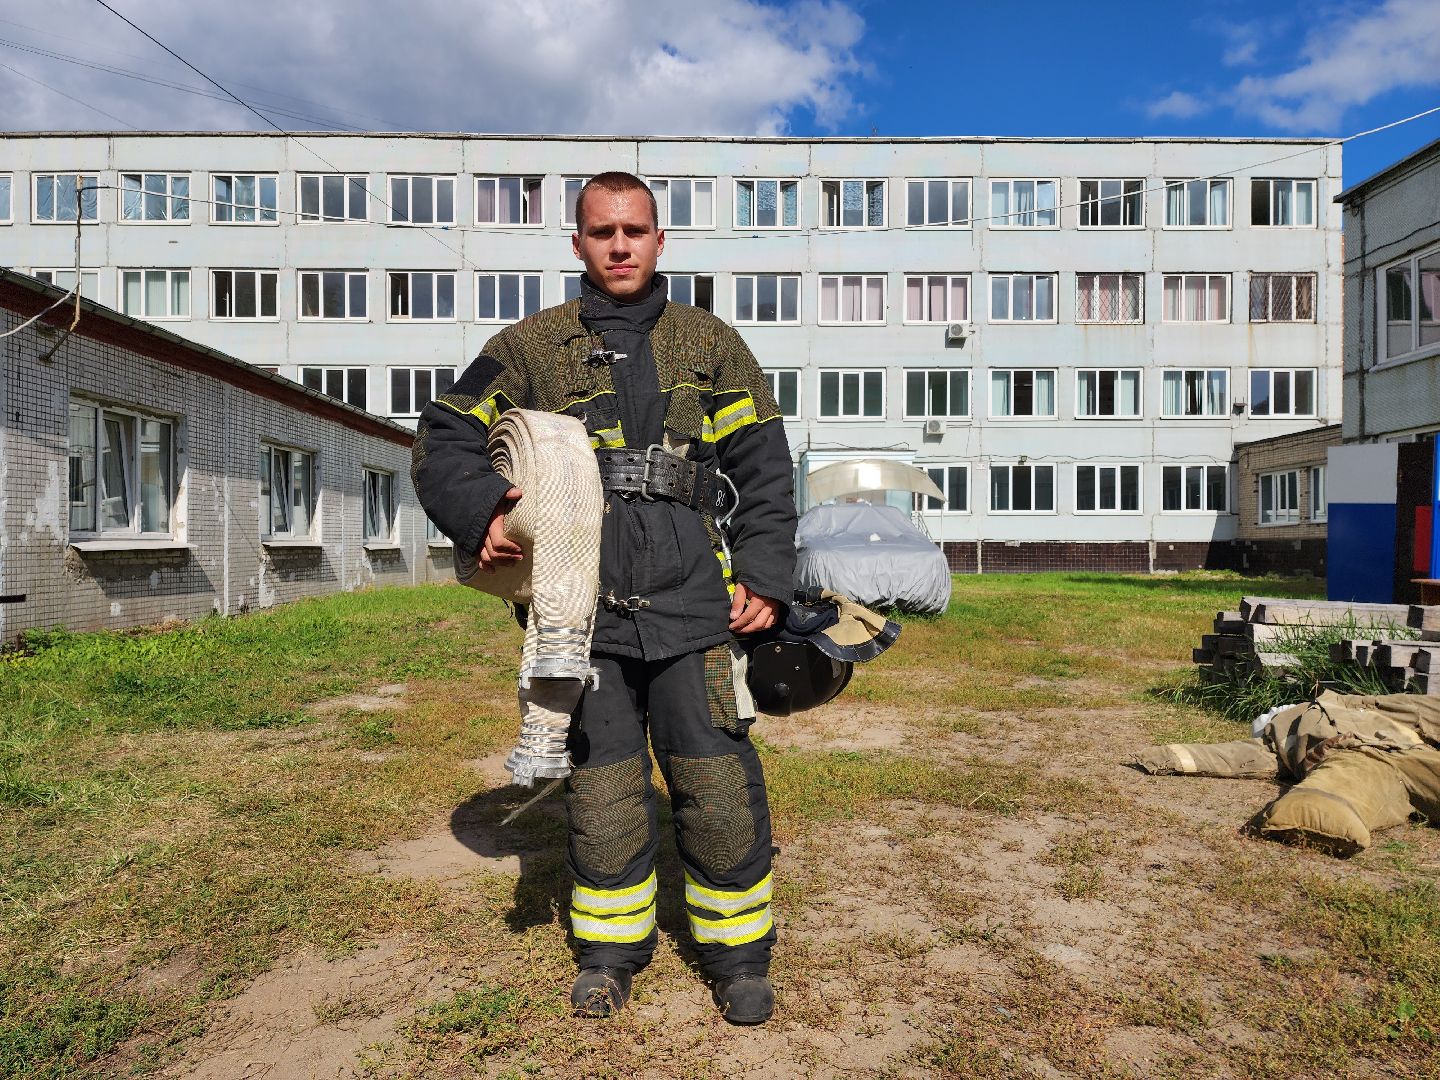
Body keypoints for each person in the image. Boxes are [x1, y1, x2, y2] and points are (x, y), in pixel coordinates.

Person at [412, 171, 797, 1025]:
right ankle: (609, 956)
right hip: (577, 610)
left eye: (633, 230)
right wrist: (484, 511)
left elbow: (765, 468)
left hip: (697, 604)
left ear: (661, 241)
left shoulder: (711, 342)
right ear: (577, 243)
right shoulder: (529, 346)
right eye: (600, 231)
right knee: (607, 785)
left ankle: (738, 959)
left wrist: (767, 575)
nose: (618, 245)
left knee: (716, 780)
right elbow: (443, 437)